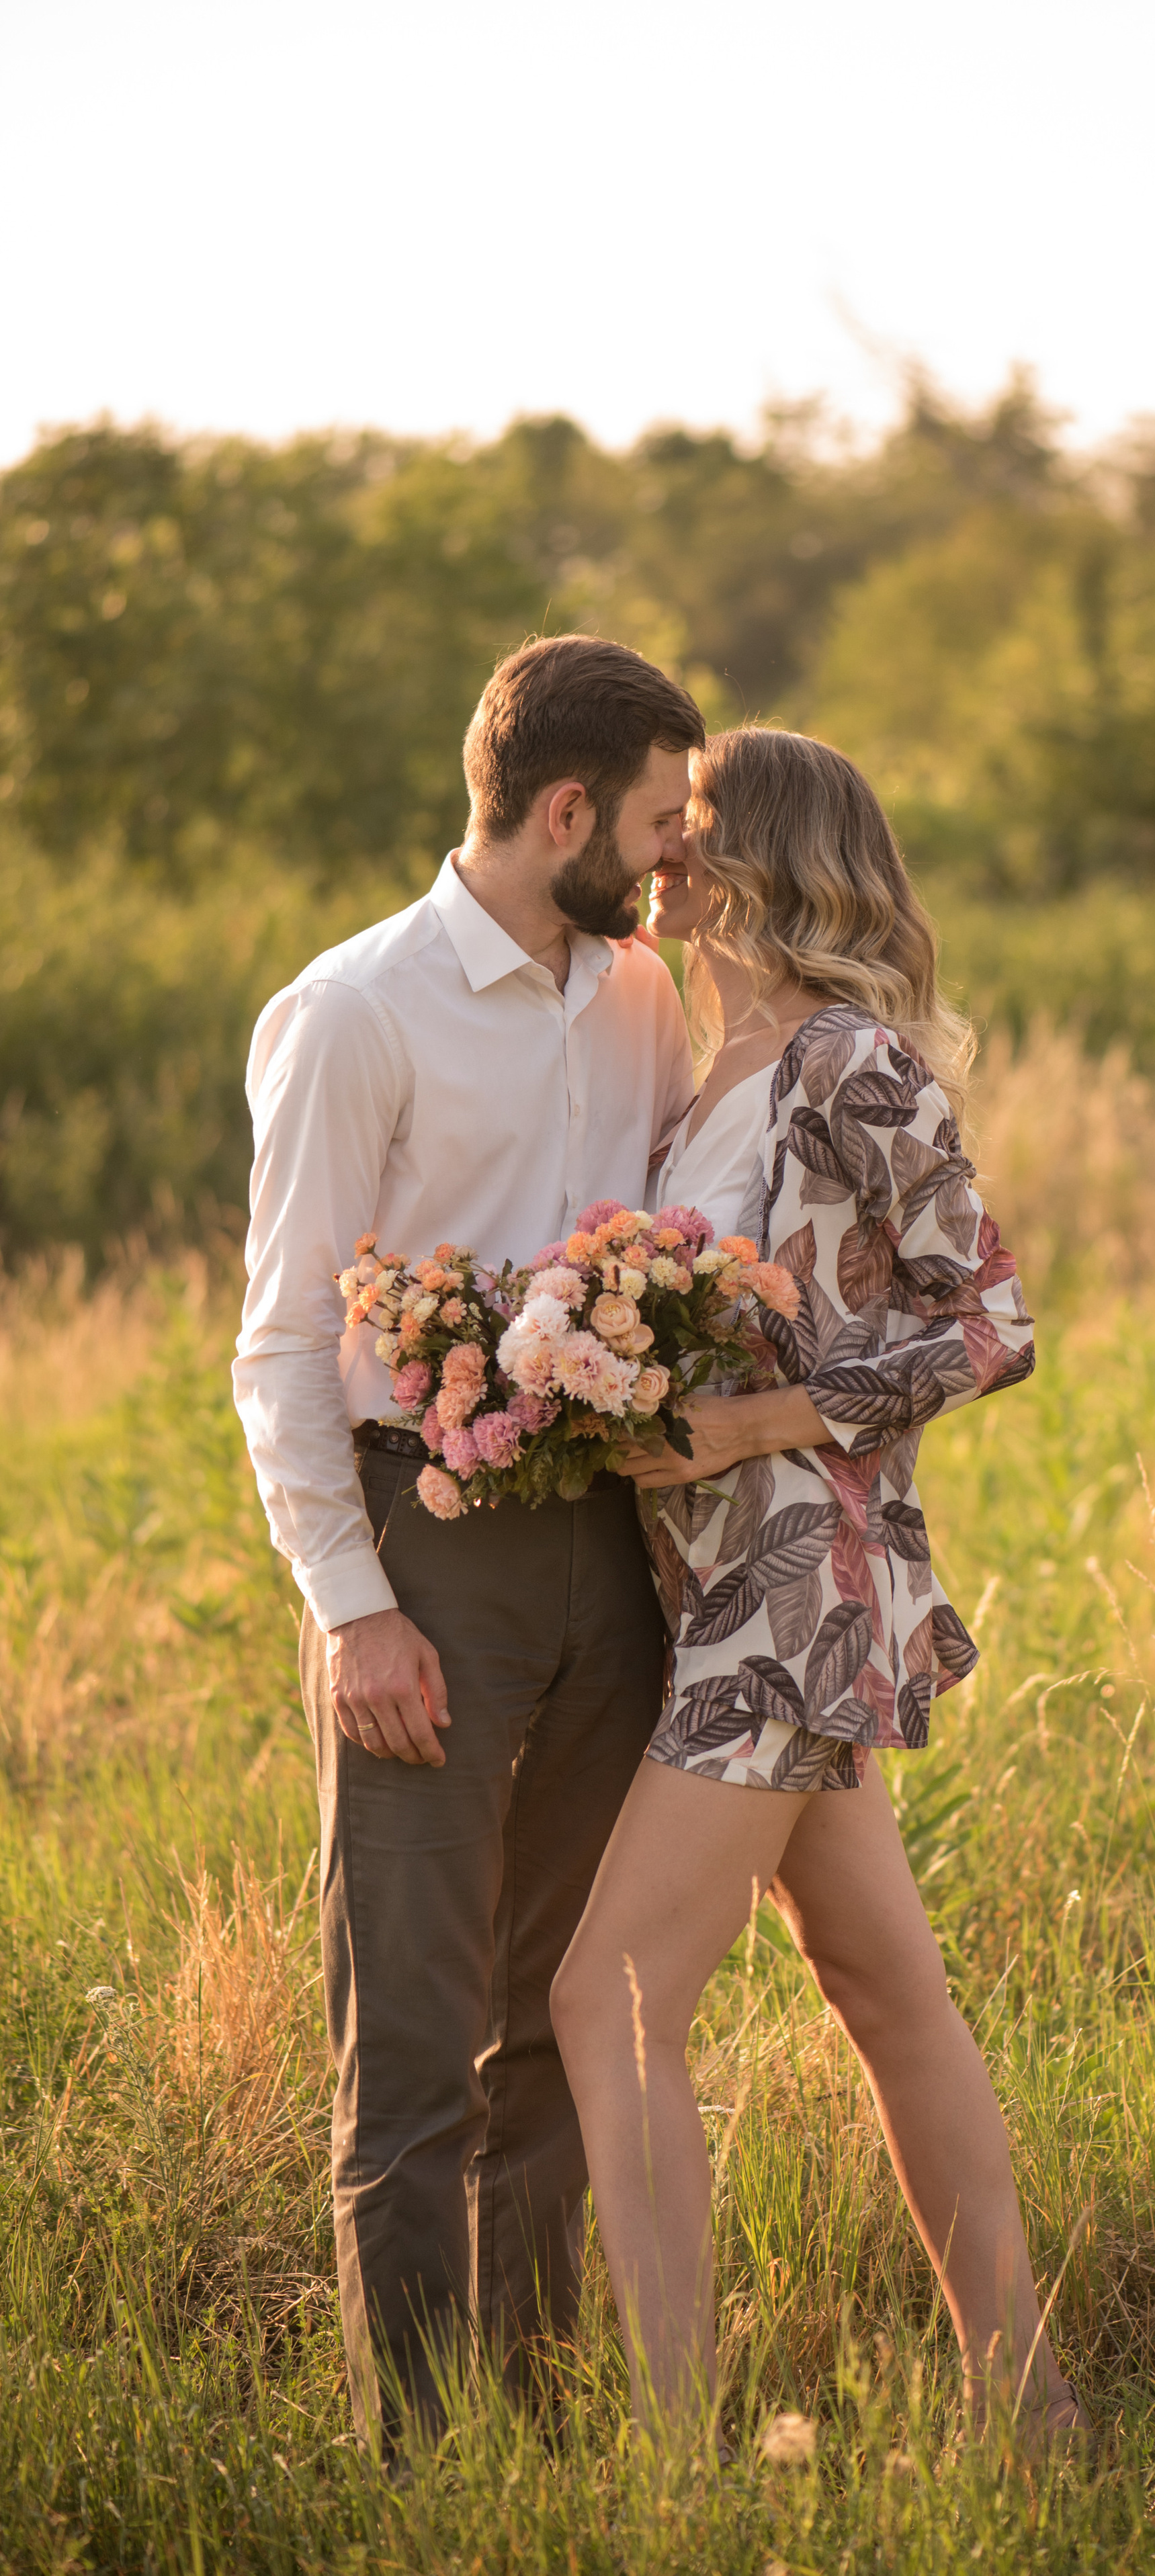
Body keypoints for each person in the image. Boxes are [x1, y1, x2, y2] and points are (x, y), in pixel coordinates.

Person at [550, 725, 1089, 2446]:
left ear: (759, 859)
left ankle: (672, 2445)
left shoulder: (852, 1062)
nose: (662, 857)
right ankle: (1031, 2409)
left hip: (797, 1586)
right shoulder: (711, 1070)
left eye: (689, 828)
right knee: (885, 1994)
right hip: (717, 1592)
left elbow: (991, 1325)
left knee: (605, 1997)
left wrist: (750, 1424)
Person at [232, 634, 704, 2451]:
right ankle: (418, 2464)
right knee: (415, 2042)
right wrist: (355, 1615)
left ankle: (548, 2425)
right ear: (564, 809)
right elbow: (281, 1346)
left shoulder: (642, 991)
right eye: (656, 825)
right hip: (420, 1559)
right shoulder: (356, 1011)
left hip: (608, 1554)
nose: (671, 862)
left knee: (567, 2019)